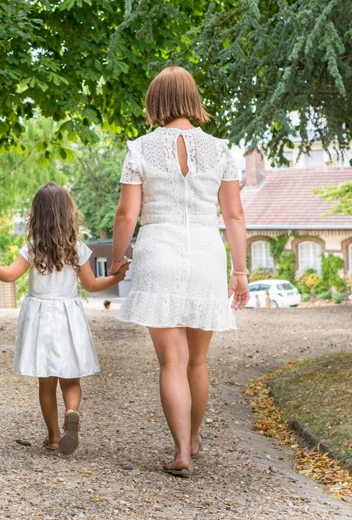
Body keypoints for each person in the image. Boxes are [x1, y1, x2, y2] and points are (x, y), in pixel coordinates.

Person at [109, 66, 249, 476]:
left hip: (159, 251)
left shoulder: (139, 150)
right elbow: (235, 215)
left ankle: (181, 452)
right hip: (207, 251)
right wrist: (239, 271)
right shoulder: (220, 150)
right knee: (197, 362)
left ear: (156, 102)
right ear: (193, 99)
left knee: (172, 361)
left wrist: (118, 259)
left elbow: (125, 214)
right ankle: (192, 439)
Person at [0, 183, 130, 455]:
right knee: (71, 379)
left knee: (47, 382)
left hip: (40, 319)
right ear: (69, 214)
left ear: (36, 215)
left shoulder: (32, 248)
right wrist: (116, 277)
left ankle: (54, 437)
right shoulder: (77, 248)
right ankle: (71, 411)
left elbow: (9, 275)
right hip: (68, 317)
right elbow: (90, 285)